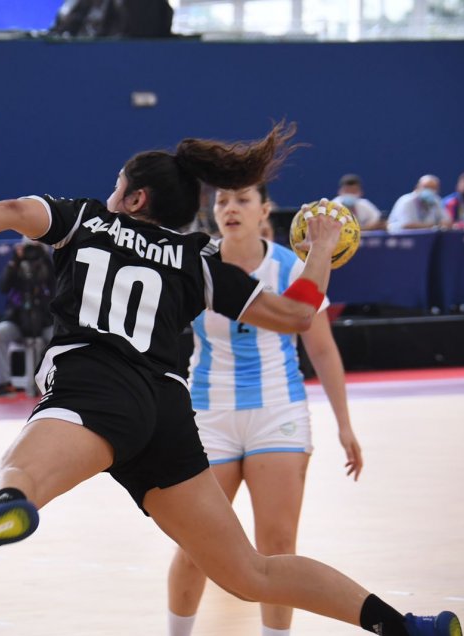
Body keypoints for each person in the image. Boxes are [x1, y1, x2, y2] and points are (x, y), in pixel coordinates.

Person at [0, 122, 462, 636]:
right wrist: (319, 250)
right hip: (164, 410)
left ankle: (8, 505)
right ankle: (406, 626)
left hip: (91, 385)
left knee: (15, 479)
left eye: (118, 185)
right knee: (251, 571)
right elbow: (297, 315)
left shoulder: (87, 218)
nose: (111, 192)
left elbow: (12, 210)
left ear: (135, 197)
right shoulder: (196, 258)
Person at [167, 183, 364, 636]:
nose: (230, 208)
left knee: (277, 546)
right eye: (222, 201)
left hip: (278, 411)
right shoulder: (196, 266)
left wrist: (345, 425)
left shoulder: (293, 266)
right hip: (208, 414)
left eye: (242, 200)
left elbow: (323, 350)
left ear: (265, 211)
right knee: (195, 547)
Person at [0, 238, 56, 397]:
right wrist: (15, 260)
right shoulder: (16, 264)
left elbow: (56, 287)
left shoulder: (48, 264)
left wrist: (45, 257)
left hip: (45, 321)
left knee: (58, 336)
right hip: (18, 321)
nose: (32, 251)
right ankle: (4, 383)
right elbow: (3, 287)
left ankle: (54, 382)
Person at [387, 175, 451, 232]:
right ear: (417, 187)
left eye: (433, 188)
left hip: (426, 238)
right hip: (401, 239)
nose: (430, 190)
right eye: (426, 187)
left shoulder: (436, 200)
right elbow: (407, 225)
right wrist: (434, 226)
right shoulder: (406, 201)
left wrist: (443, 224)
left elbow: (447, 221)